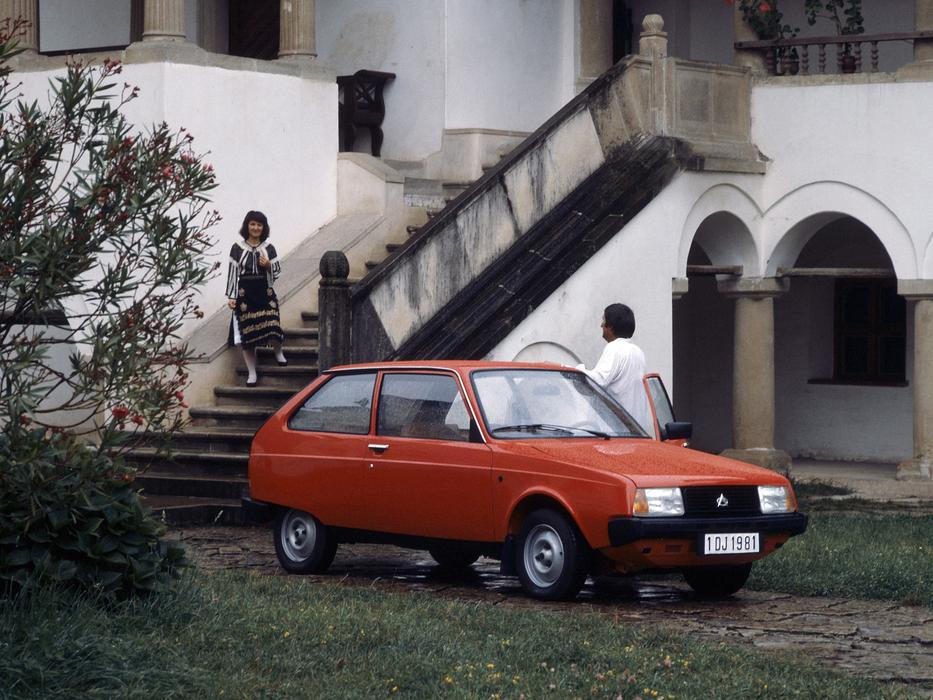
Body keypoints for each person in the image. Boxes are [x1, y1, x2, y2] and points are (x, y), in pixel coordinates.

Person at [226, 210, 287, 387]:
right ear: (247, 226)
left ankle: (278, 352)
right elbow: (232, 272)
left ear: (263, 227)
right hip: (245, 293)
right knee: (246, 334)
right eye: (252, 224)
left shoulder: (269, 248)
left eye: (259, 225)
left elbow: (277, 271)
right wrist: (231, 295)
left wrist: (268, 265)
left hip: (264, 290)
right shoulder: (237, 248)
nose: (255, 228)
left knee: (273, 325)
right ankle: (252, 373)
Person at [576, 303, 651, 432]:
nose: (601, 325)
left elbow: (596, 381)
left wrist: (570, 370)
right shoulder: (637, 352)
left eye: (603, 321)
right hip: (636, 431)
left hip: (614, 434)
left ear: (610, 326)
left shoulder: (614, 348)